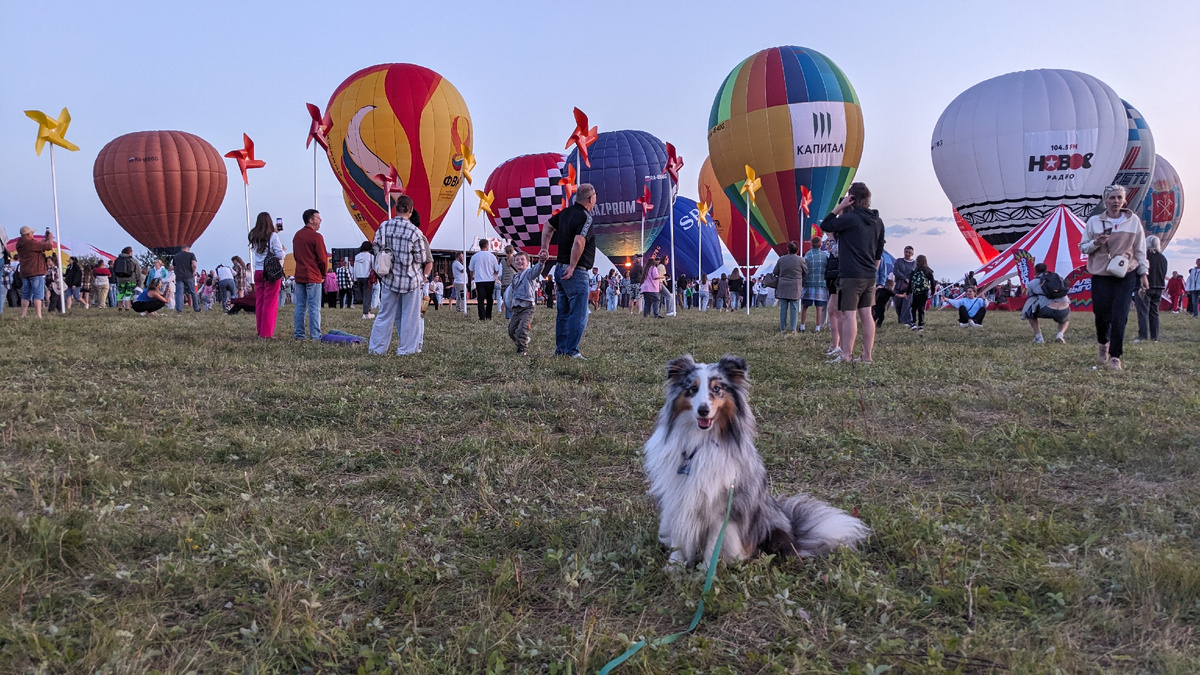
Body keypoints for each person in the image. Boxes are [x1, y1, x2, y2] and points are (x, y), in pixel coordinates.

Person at [1080, 185, 1148, 370]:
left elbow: (1140, 249)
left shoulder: (1133, 221)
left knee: (1120, 314)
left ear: (1125, 200)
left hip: (1126, 272)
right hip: (1101, 273)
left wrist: (1144, 273)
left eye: (1119, 197)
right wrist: (1096, 243)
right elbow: (1082, 247)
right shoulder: (1094, 222)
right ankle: (1103, 343)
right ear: (1105, 200)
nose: (1116, 201)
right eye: (1112, 198)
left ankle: (1115, 356)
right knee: (1102, 314)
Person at [820, 182, 886, 363]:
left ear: (852, 198)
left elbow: (826, 225)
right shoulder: (878, 221)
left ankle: (846, 355)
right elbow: (879, 250)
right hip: (869, 274)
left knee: (849, 314)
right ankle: (867, 356)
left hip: (850, 273)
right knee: (867, 314)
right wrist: (873, 269)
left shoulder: (850, 219)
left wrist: (841, 206)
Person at [369, 195, 433, 356]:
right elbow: (421, 258)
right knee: (411, 319)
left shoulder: (384, 227)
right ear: (411, 210)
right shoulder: (415, 232)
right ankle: (406, 350)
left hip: (389, 278)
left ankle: (377, 349)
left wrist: (387, 260)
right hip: (410, 279)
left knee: (384, 315)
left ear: (395, 209)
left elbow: (375, 246)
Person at [541, 182, 598, 358]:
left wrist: (545, 248)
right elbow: (579, 242)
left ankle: (561, 350)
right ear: (591, 198)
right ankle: (572, 351)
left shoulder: (564, 213)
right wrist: (573, 266)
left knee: (563, 313)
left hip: (559, 268)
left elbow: (547, 226)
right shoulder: (586, 217)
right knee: (578, 314)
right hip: (576, 271)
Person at [292, 209, 328, 340]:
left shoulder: (297, 236)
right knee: (314, 307)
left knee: (300, 306)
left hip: (300, 274)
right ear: (311, 220)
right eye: (318, 218)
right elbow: (323, 258)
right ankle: (315, 335)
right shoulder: (317, 237)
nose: (320, 220)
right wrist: (323, 274)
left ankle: (299, 334)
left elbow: (296, 255)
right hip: (313, 276)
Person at [247, 212, 285, 338]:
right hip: (271, 272)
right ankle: (267, 333)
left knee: (260, 301)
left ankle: (260, 330)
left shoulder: (253, 235)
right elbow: (279, 255)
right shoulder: (273, 236)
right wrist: (283, 250)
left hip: (258, 271)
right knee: (270, 303)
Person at [507, 250, 549, 354]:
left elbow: (537, 270)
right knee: (511, 331)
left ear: (527, 263)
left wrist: (541, 263)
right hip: (516, 307)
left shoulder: (529, 274)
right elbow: (511, 292)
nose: (519, 261)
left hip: (527, 307)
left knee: (522, 328)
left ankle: (522, 349)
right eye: (517, 260)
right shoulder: (515, 276)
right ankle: (524, 340)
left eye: (522, 259)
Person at [1021, 262, 1071, 344]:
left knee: (1030, 312)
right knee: (1065, 319)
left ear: (1035, 271)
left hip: (1047, 309)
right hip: (1064, 308)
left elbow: (1031, 295)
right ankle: (1060, 335)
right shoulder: (1058, 278)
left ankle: (1039, 337)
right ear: (1046, 269)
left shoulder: (1032, 283)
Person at [15, 226, 56, 318]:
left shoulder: (20, 243)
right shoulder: (30, 243)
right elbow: (48, 247)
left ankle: (23, 314)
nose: (33, 234)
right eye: (32, 233)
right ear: (28, 234)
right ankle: (38, 315)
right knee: (38, 294)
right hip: (36, 271)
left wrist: (43, 239)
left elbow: (37, 246)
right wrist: (50, 239)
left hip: (25, 272)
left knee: (25, 294)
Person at [1133, 236, 1167, 343]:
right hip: (1159, 288)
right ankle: (1154, 337)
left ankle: (1142, 336)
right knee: (1154, 312)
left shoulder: (1144, 257)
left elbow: (1138, 271)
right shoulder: (1163, 258)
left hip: (1144, 287)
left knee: (1143, 312)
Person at [772, 241, 806, 333]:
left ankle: (783, 328)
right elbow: (806, 272)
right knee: (794, 308)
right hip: (795, 286)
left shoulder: (781, 259)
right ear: (797, 250)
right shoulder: (801, 260)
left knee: (783, 308)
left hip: (783, 285)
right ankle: (793, 329)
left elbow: (775, 271)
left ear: (787, 249)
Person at [800, 236, 829, 331]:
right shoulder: (825, 256)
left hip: (808, 283)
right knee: (819, 307)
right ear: (821, 245)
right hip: (821, 283)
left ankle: (802, 325)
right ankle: (818, 327)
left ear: (811, 244)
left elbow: (804, 269)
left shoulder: (807, 255)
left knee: (805, 306)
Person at [468, 238, 500, 321]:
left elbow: (471, 269)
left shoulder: (475, 256)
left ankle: (481, 316)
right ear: (487, 245)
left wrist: (472, 277)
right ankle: (488, 316)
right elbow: (496, 269)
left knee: (480, 299)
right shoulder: (492, 256)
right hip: (490, 279)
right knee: (490, 298)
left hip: (479, 280)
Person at [908, 255, 936, 331]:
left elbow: (910, 282)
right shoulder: (928, 270)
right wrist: (933, 291)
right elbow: (933, 282)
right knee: (921, 308)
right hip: (924, 292)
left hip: (916, 291)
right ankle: (920, 325)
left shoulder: (914, 270)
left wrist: (908, 292)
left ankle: (913, 323)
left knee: (913, 307)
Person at [172, 245, 200, 313]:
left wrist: (176, 273)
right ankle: (196, 308)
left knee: (179, 293)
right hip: (188, 275)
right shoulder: (191, 255)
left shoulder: (176, 256)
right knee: (193, 292)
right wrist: (193, 272)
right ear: (188, 249)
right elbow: (194, 265)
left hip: (179, 276)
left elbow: (174, 267)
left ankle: (179, 309)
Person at [892, 246, 916, 325]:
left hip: (909, 287)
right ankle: (900, 319)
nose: (907, 254)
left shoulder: (914, 263)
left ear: (912, 254)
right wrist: (905, 278)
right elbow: (896, 271)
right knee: (898, 304)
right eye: (906, 252)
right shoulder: (899, 261)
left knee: (906, 305)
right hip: (899, 285)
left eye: (909, 252)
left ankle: (905, 321)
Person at [353, 242, 375, 319]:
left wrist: (355, 278)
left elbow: (355, 268)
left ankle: (365, 312)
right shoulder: (371, 257)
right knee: (368, 295)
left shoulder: (357, 257)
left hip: (359, 277)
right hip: (367, 278)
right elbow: (374, 268)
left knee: (363, 295)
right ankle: (367, 313)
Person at [500, 245, 516, 319]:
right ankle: (514, 316)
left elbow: (500, 273)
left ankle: (508, 316)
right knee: (514, 300)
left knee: (507, 300)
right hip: (513, 283)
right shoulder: (516, 260)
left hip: (504, 283)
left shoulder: (502, 261)